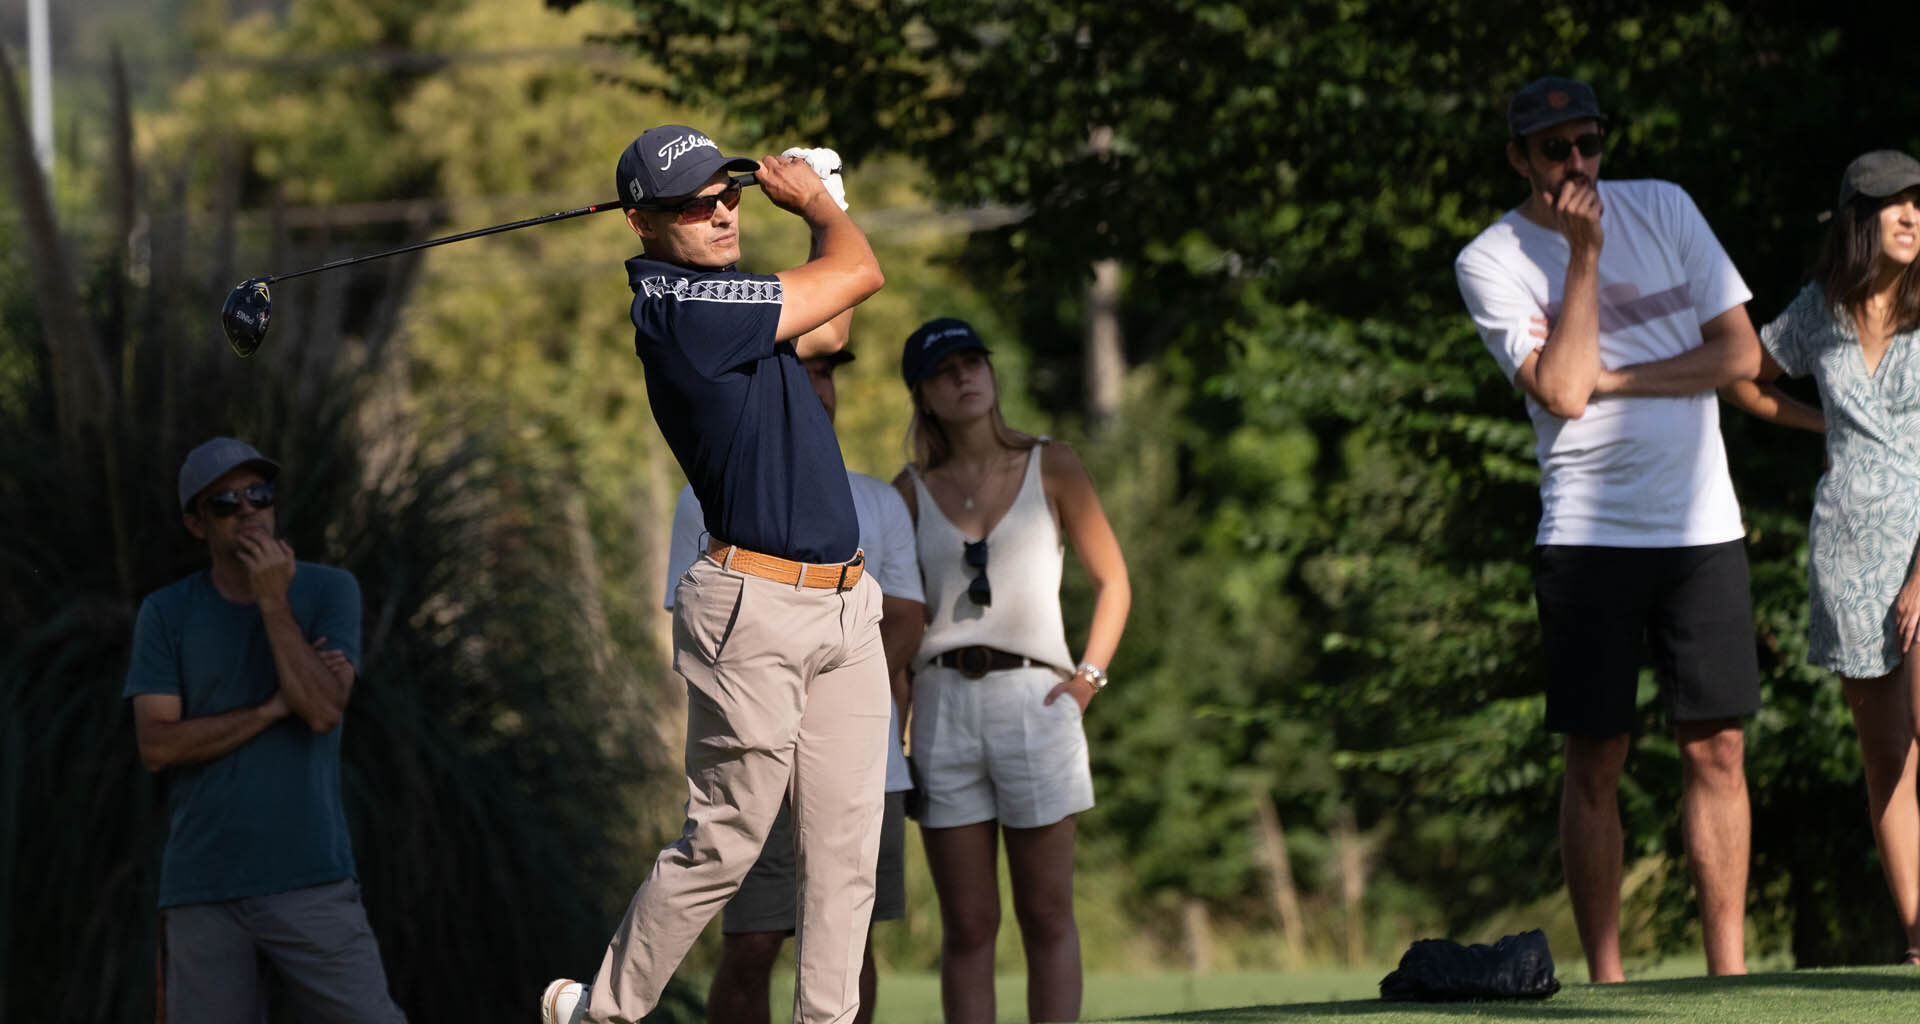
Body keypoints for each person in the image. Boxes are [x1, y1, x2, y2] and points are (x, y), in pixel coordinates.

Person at [542, 124, 887, 1024]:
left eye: (727, 192)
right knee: (726, 842)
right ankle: (603, 1012)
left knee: (847, 851)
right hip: (755, 609)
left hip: (847, 604)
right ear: (643, 223)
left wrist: (828, 214)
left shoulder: (726, 292)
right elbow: (860, 277)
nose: (723, 211)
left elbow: (834, 320)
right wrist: (819, 204)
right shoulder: (680, 310)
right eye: (695, 205)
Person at [1452, 76, 1768, 982]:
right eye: (1555, 151)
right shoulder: (1493, 258)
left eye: (1587, 143)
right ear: (1519, 158)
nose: (1577, 164)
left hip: (1702, 524)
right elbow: (1556, 391)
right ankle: (1608, 981)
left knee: (1719, 745)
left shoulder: (1665, 206)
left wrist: (1610, 379)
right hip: (1590, 535)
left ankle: (1730, 979)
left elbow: (1741, 354)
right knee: (1597, 755)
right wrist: (1584, 257)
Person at [664, 345, 925, 1024]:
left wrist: (837, 698)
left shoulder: (878, 500)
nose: (816, 386)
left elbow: (904, 621)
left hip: (863, 757)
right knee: (752, 942)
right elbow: (706, 637)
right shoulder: (704, 498)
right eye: (797, 371)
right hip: (756, 752)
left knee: (849, 936)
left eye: (827, 372)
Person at [892, 318, 1131, 1023]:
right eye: (944, 371)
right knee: (967, 927)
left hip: (1039, 696)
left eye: (973, 362)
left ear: (992, 376)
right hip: (940, 709)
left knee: (1046, 913)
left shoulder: (1051, 463)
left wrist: (1087, 680)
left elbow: (1113, 581)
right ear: (924, 397)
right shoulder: (905, 492)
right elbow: (899, 625)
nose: (964, 377)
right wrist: (899, 730)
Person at [124, 436, 407, 1023]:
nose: (248, 511)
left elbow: (325, 710)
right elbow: (156, 745)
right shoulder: (166, 613)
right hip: (201, 888)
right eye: (226, 503)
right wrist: (270, 710)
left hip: (311, 878)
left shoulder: (329, 591)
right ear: (197, 524)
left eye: (260, 495)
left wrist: (274, 603)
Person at [1737, 149, 1920, 965]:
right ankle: (1918, 941)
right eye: (1893, 204)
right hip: (1848, 552)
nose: (1912, 216)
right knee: (1886, 758)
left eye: (1919, 203)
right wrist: (1826, 429)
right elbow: (1744, 378)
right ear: (1857, 219)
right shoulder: (1819, 310)